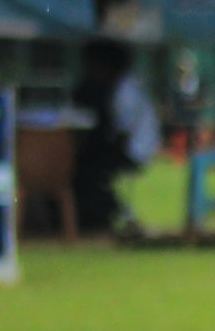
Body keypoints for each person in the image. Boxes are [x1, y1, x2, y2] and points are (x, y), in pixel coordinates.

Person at [69, 40, 160, 235]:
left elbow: (122, 135)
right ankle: (107, 213)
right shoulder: (123, 86)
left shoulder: (125, 92)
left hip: (135, 150)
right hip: (131, 146)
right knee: (87, 167)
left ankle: (115, 213)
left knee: (88, 171)